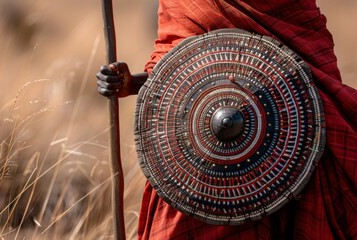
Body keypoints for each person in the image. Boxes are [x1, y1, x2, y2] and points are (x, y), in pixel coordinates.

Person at [96, 1, 357, 239]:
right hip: (201, 160)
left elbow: (316, 79)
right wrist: (132, 83)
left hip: (293, 152)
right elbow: (177, 63)